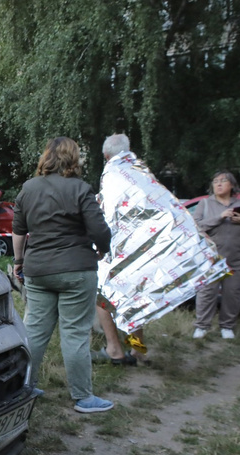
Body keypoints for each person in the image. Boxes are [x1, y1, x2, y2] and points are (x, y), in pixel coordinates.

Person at [12, 137, 114, 413]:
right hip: (76, 269)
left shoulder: (28, 188)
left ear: (47, 157)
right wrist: (103, 249)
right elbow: (99, 229)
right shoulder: (80, 188)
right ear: (73, 159)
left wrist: (19, 261)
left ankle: (22, 388)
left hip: (38, 270)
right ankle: (83, 398)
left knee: (34, 331)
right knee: (75, 333)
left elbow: (18, 230)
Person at [192, 171, 240, 339]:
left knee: (233, 294)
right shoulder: (205, 204)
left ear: (231, 185)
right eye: (215, 181)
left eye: (223, 181)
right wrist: (220, 217)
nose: (218, 184)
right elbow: (195, 226)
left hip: (237, 260)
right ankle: (202, 327)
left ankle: (227, 327)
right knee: (206, 294)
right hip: (211, 260)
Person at [92, 134, 143, 365]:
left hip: (115, 249)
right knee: (135, 299)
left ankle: (114, 349)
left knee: (103, 297)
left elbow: (105, 214)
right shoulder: (141, 172)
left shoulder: (112, 175)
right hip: (140, 248)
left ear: (106, 156)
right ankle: (138, 350)